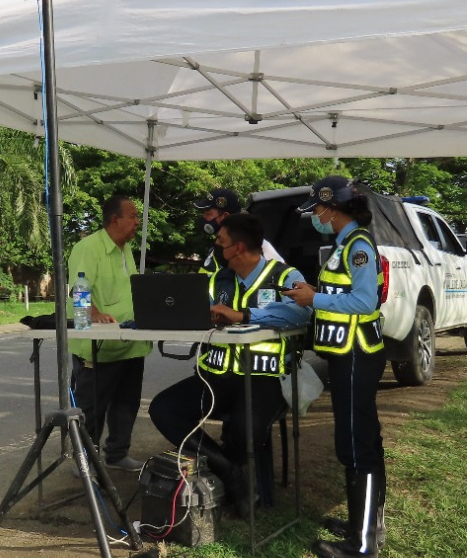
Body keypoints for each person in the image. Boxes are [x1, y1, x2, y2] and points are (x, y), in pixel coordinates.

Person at [148, 213, 311, 512]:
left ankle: (247, 488)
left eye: (220, 241)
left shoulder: (286, 276)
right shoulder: (217, 280)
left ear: (236, 248)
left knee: (243, 427)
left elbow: (302, 312)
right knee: (163, 409)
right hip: (216, 377)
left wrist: (244, 315)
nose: (216, 246)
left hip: (266, 379)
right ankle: (229, 471)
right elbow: (189, 307)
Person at [282, 176, 387, 558]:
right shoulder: (345, 245)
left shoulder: (358, 246)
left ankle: (362, 548)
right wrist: (310, 292)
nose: (316, 218)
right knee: (361, 442)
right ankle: (365, 526)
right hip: (349, 355)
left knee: (358, 445)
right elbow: (342, 296)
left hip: (357, 354)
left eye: (318, 211)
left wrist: (315, 297)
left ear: (333, 209)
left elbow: (363, 301)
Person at [67, 194, 151, 472]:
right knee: (91, 409)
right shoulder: (87, 248)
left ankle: (117, 454)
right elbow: (79, 289)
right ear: (114, 220)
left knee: (126, 404)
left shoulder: (126, 249)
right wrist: (94, 314)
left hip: (130, 343)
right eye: (133, 217)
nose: (138, 222)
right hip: (98, 346)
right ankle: (84, 462)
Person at [194, 188, 282, 274]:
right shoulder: (217, 247)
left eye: (208, 213)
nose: (204, 217)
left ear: (225, 216)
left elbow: (281, 274)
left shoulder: (256, 244)